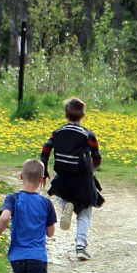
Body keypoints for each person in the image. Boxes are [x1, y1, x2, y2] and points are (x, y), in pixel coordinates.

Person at [41, 97, 104, 261]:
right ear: (83, 114)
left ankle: (65, 206)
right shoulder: (88, 135)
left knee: (62, 197)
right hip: (83, 179)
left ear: (65, 114)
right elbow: (96, 157)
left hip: (63, 177)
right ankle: (81, 246)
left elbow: (46, 149)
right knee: (84, 212)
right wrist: (94, 164)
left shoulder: (57, 133)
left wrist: (44, 169)